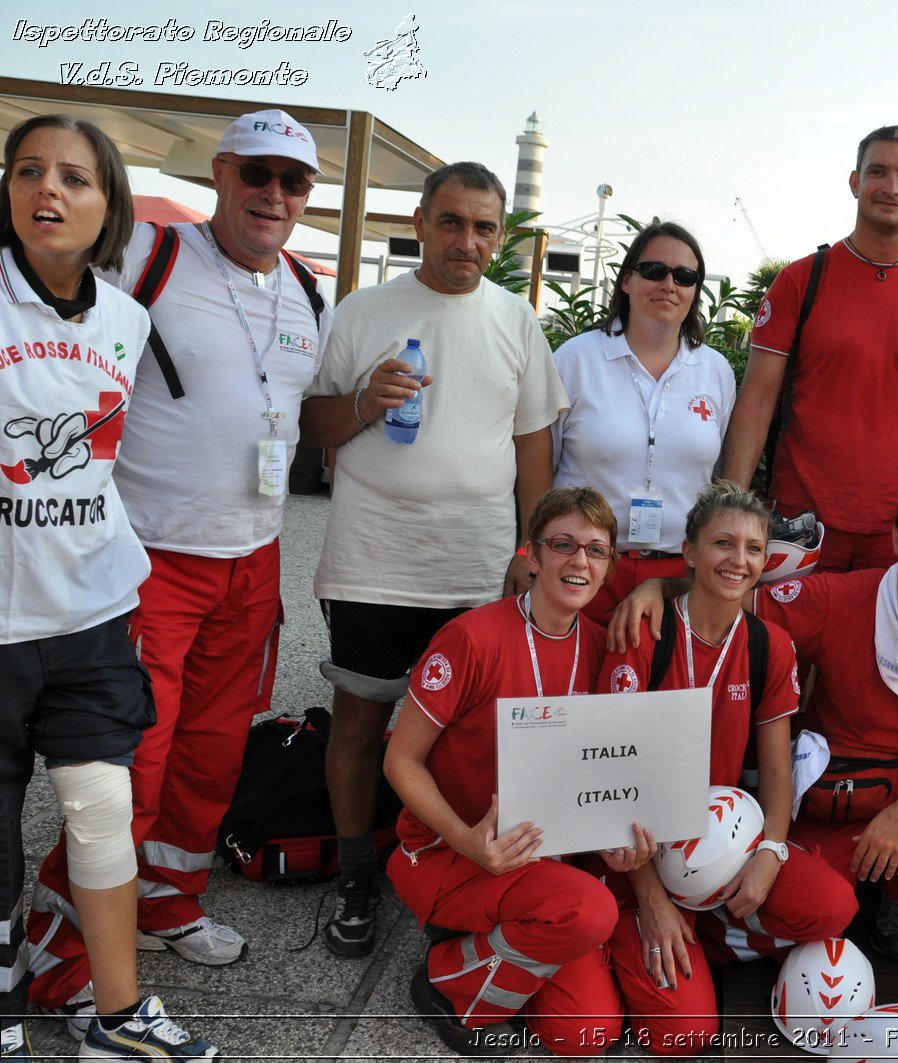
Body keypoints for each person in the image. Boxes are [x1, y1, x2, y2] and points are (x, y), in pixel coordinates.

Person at [25, 108, 332, 1027]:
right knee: (130, 764)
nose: (273, 195)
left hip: (254, 557)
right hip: (148, 558)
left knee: (208, 757)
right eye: (257, 175)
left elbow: (298, 418)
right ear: (222, 174)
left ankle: (165, 902)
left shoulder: (309, 291)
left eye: (294, 182)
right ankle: (60, 948)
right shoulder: (148, 254)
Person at [300, 161, 567, 959]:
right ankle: (356, 872)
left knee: (476, 734)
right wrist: (360, 404)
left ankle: (452, 860)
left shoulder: (517, 320)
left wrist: (528, 548)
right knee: (360, 723)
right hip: (374, 559)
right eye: (451, 221)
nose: (467, 240)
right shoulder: (363, 309)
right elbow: (311, 427)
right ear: (419, 222)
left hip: (478, 566)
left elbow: (533, 453)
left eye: (484, 227)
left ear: (499, 236)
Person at [0, 113, 218, 1060]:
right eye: (29, 170)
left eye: (75, 178)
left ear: (107, 204)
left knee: (100, 815)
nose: (50, 191)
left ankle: (119, 1020)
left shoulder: (128, 320)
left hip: (92, 611)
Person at [613, 480, 898, 962]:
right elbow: (729, 593)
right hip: (836, 802)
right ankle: (712, 935)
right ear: (895, 540)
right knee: (822, 906)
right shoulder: (840, 595)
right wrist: (659, 585)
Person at [384, 487, 652, 1058]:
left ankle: (496, 940)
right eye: (564, 545)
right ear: (530, 553)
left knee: (587, 1037)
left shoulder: (604, 647)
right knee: (592, 911)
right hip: (446, 853)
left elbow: (596, 774)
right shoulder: (470, 637)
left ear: (609, 567)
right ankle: (443, 981)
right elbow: (399, 760)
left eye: (596, 551)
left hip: (540, 860)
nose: (579, 562)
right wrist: (465, 840)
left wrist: (613, 840)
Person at [597, 481, 856, 1056]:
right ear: (689, 552)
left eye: (754, 548)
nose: (739, 561)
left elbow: (780, 772)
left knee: (834, 906)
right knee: (684, 1038)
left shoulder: (771, 646)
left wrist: (771, 854)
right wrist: (654, 900)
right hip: (633, 851)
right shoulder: (643, 631)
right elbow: (609, 781)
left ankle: (704, 934)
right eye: (723, 544)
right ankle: (635, 934)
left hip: (719, 843)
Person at [720, 126, 898, 572]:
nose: (891, 188)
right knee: (786, 643)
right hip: (800, 526)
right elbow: (758, 397)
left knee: (885, 645)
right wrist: (728, 509)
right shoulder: (802, 280)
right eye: (877, 171)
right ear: (855, 181)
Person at [551, 221, 736, 623]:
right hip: (583, 565)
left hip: (679, 574)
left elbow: (717, 477)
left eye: (685, 276)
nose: (669, 284)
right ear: (627, 281)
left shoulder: (716, 370)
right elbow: (541, 461)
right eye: (655, 271)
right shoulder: (576, 358)